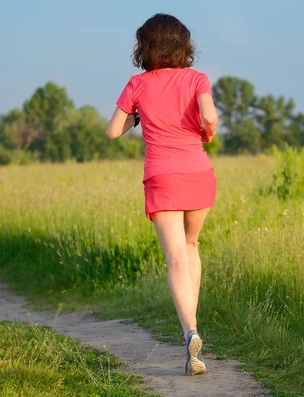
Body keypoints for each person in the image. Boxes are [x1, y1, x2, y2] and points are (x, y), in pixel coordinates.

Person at [106, 13, 218, 376]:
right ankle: (193, 334)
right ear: (183, 45)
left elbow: (112, 132)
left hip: (162, 175)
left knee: (174, 259)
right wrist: (207, 133)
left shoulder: (137, 84)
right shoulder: (197, 78)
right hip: (198, 172)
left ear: (146, 47)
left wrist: (138, 116)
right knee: (192, 247)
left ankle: (190, 331)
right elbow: (210, 116)